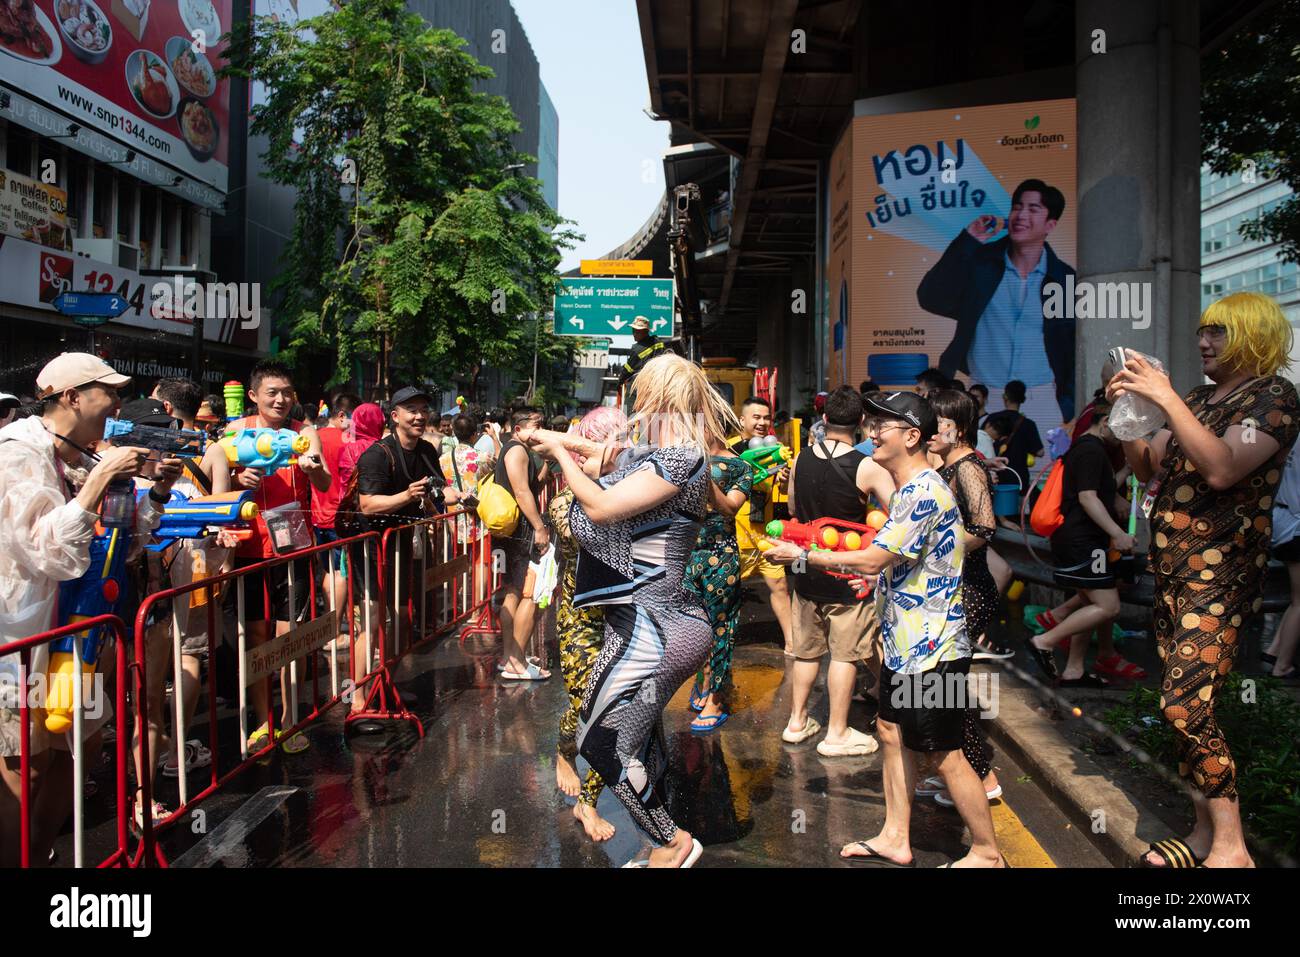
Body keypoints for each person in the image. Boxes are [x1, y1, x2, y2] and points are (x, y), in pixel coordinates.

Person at [766, 391, 1003, 867]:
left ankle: (987, 851)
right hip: (903, 643)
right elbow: (901, 561)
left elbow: (877, 553)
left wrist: (806, 556)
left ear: (912, 436)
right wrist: (876, 576)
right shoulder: (909, 488)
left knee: (944, 753)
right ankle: (896, 836)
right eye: (872, 424)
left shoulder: (923, 492)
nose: (873, 432)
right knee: (891, 732)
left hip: (932, 648)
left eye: (883, 426)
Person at [1108, 291, 1299, 869]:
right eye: (1202, 333)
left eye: (1216, 333)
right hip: (1173, 574)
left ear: (1251, 335)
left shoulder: (1275, 397)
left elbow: (1219, 466)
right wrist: (1129, 415)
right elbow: (1147, 466)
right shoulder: (1198, 397)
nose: (1203, 343)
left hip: (1220, 575)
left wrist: (1166, 397)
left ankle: (1234, 849)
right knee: (1189, 710)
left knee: (1184, 708)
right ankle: (1201, 836)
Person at [523, 352, 729, 868]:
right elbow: (603, 451)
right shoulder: (653, 455)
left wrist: (557, 452)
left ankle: (671, 842)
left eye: (639, 394)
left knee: (602, 743)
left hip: (657, 627)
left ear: (656, 397)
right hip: (634, 623)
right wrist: (562, 442)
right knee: (636, 738)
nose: (633, 402)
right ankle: (659, 838)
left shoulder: (682, 460)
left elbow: (599, 507)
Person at [0, 354, 176, 865]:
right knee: (23, 766)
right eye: (108, 391)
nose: (118, 403)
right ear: (72, 397)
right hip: (21, 639)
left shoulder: (80, 453)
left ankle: (38, 853)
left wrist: (153, 488)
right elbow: (44, 550)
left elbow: (131, 537)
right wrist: (100, 482)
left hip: (80, 630)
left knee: (78, 753)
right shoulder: (18, 454)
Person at [221, 360, 330, 756]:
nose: (281, 399)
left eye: (286, 392)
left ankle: (290, 720)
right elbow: (213, 479)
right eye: (272, 392)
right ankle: (263, 722)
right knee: (256, 638)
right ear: (253, 396)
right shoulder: (235, 432)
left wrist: (311, 467)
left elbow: (324, 482)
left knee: (290, 640)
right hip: (249, 549)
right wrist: (237, 480)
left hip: (295, 548)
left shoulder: (305, 433)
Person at [781, 386, 893, 757]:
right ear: (862, 422)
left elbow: (795, 506)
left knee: (807, 651)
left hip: (803, 564)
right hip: (848, 570)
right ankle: (837, 733)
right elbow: (898, 513)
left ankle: (797, 722)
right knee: (843, 655)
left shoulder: (801, 460)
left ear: (824, 419)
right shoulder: (867, 466)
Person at [917, 177, 1077, 425]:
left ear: (1050, 224)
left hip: (1041, 399)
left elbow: (1071, 344)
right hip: (983, 396)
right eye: (1017, 207)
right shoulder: (981, 263)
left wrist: (1066, 404)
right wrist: (968, 241)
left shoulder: (1063, 278)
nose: (1021, 215)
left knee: (1040, 465)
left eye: (1033, 209)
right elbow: (930, 297)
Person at [919, 390, 1006, 809]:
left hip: (968, 592)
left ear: (960, 428)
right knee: (942, 687)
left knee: (944, 688)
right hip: (950, 590)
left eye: (937, 424)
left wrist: (940, 551)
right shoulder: (947, 464)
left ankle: (982, 778)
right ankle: (961, 772)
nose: (929, 431)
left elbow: (986, 528)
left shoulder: (968, 468)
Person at [547, 406, 628, 841]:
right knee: (586, 708)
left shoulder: (629, 491)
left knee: (608, 712)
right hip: (580, 621)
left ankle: (588, 803)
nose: (618, 456)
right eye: (608, 447)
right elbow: (591, 528)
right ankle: (564, 753)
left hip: (621, 617)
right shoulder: (566, 501)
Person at [1023, 399, 1133, 687]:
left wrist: (1128, 471)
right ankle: (1044, 641)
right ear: (1106, 421)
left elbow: (1101, 487)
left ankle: (1074, 670)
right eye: (1121, 430)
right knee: (1109, 607)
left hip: (1082, 540)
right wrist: (1118, 534)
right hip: (1084, 542)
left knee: (1089, 602)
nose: (1123, 439)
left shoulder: (1088, 449)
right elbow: (1088, 497)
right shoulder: (1090, 451)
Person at [354, 387, 460, 663]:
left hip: (403, 544)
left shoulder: (426, 449)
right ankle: (358, 698)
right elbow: (366, 505)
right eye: (412, 410)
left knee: (402, 617)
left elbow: (440, 489)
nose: (419, 416)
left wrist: (461, 498)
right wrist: (406, 496)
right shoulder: (377, 455)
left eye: (424, 410)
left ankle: (388, 684)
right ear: (395, 416)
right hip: (371, 546)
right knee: (372, 622)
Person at [684, 411, 751, 735]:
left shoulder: (740, 466)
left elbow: (729, 508)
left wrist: (704, 479)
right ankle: (704, 679)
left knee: (721, 627)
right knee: (694, 628)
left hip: (720, 557)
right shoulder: (686, 458)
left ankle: (717, 699)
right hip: (685, 553)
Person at [727, 396, 796, 657]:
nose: (762, 422)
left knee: (780, 588)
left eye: (766, 417)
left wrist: (782, 479)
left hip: (765, 534)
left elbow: (779, 492)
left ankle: (791, 642)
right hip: (738, 534)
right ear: (742, 420)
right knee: (728, 592)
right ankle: (718, 645)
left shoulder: (774, 449)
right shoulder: (730, 450)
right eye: (756, 417)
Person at [495, 408, 551, 681]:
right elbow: (520, 491)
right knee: (518, 592)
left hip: (514, 531)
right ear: (518, 429)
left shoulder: (520, 451)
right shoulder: (516, 451)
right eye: (536, 426)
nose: (540, 430)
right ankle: (513, 661)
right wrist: (539, 527)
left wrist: (544, 470)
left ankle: (510, 656)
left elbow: (529, 486)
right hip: (518, 532)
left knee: (513, 592)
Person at [1266, 443, 1300, 679]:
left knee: (1297, 599)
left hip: (1283, 517)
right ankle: (1283, 666)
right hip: (1296, 524)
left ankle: (1273, 652)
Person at [984, 380, 1044, 507]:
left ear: (1005, 396)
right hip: (1018, 478)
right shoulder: (1028, 424)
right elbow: (1040, 452)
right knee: (1015, 515)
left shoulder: (992, 419)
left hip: (994, 476)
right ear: (1023, 399)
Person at [616, 315, 677, 389]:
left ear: (646, 331)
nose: (634, 334)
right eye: (633, 331)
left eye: (637, 331)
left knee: (629, 395)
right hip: (662, 383)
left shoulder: (636, 349)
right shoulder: (660, 342)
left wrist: (619, 383)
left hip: (642, 385)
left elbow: (627, 371)